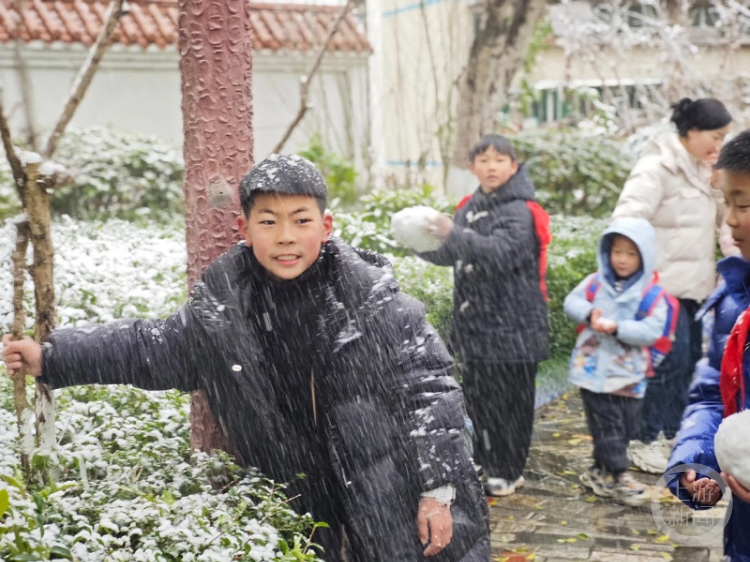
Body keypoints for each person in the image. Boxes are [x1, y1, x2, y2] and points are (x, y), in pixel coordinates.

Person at [1, 154, 490, 562]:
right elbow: (145, 347)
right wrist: (52, 357)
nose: (285, 237)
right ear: (245, 228)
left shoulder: (378, 304)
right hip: (301, 491)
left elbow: (432, 394)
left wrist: (438, 489)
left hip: (393, 488)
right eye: (268, 221)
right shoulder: (223, 315)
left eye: (301, 221)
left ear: (326, 225)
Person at [417, 134, 550, 497]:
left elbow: (502, 253)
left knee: (512, 405)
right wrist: (423, 240)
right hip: (477, 329)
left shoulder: (522, 209)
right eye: (483, 160)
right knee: (481, 401)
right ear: (472, 166)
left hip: (515, 330)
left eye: (499, 160)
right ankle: (486, 460)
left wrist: (453, 233)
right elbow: (453, 253)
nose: (491, 167)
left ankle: (509, 469)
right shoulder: (470, 206)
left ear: (513, 165)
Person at [612, 97, 733, 474]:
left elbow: (723, 220)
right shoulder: (656, 168)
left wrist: (718, 184)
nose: (719, 145)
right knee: (669, 362)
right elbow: (627, 219)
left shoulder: (702, 169)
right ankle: (644, 439)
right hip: (660, 288)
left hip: (695, 288)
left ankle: (669, 434)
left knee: (687, 366)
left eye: (724, 137)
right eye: (715, 136)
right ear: (692, 131)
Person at [666, 130, 750, 561]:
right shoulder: (735, 302)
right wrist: (699, 464)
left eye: (745, 204)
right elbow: (716, 394)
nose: (731, 220)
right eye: (727, 204)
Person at [563, 217, 668, 506]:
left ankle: (601, 471)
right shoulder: (596, 282)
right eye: (617, 251)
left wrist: (619, 328)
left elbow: (651, 330)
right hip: (594, 373)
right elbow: (571, 302)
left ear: (644, 256)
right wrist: (589, 313)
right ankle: (620, 475)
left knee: (624, 428)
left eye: (631, 253)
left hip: (629, 376)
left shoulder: (651, 293)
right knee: (606, 425)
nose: (622, 259)